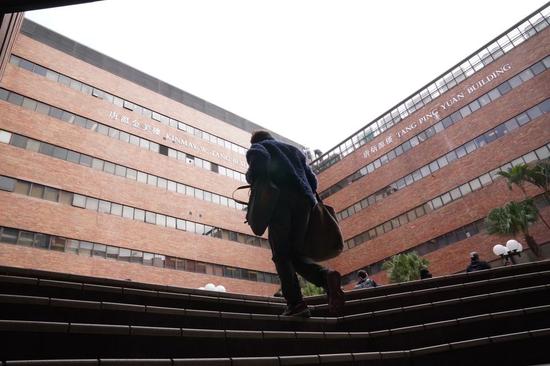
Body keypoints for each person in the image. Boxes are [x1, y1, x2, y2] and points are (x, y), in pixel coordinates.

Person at [246, 130, 345, 317]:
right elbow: (313, 181)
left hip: (279, 202)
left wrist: (251, 177)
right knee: (294, 254)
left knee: (281, 255)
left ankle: (296, 304)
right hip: (305, 205)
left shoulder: (259, 147)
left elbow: (258, 160)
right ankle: (326, 277)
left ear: (255, 141)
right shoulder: (294, 151)